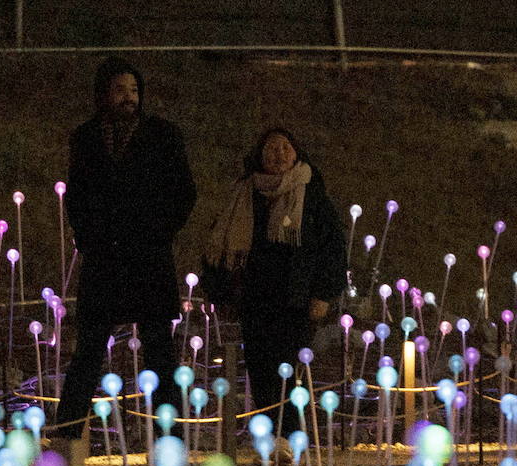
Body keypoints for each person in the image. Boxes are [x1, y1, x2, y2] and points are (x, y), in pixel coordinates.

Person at [56, 57, 196, 441]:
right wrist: (88, 238)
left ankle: (172, 437)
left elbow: (183, 192)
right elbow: (78, 195)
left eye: (134, 90)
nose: (128, 98)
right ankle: (67, 436)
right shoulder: (86, 138)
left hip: (149, 257)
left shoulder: (164, 135)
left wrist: (160, 230)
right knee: (88, 350)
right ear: (104, 94)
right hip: (104, 257)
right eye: (120, 90)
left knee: (159, 351)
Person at [202, 127, 346, 435]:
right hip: (255, 299)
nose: (278, 154)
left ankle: (291, 436)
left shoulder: (312, 195)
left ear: (296, 153)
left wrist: (323, 293)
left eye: (285, 148)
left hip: (296, 300)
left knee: (290, 370)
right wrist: (222, 293)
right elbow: (221, 242)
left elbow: (332, 246)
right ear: (259, 154)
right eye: (271, 148)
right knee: (260, 370)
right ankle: (267, 436)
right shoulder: (243, 194)